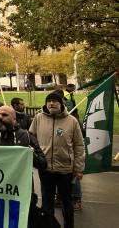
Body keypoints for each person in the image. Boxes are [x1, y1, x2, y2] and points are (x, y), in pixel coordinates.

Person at [30, 92, 84, 228]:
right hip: (45, 168)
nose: (51, 104)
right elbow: (31, 138)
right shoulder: (38, 118)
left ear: (61, 104)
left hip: (65, 169)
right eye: (49, 101)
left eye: (55, 101)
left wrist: (78, 168)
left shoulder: (72, 121)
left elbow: (79, 145)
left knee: (67, 202)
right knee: (47, 203)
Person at [0, 106, 47, 170]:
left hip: (20, 178)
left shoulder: (26, 135)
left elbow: (43, 164)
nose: (0, 117)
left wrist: (31, 155)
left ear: (14, 119)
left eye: (4, 115)